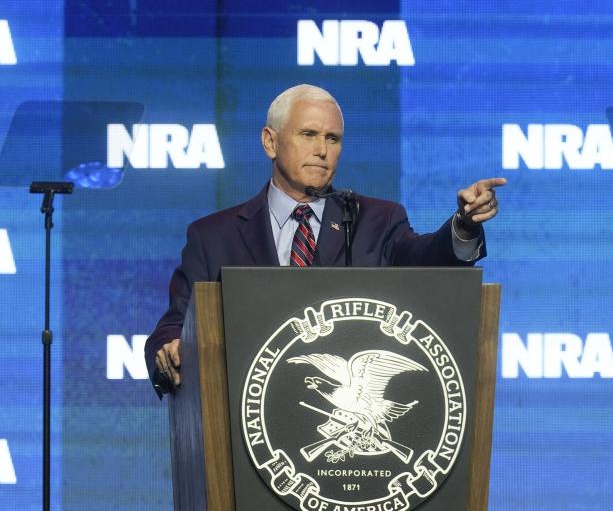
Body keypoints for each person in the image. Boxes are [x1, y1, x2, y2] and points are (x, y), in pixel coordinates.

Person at [145, 84, 505, 396]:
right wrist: (169, 349)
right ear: (270, 142)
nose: (322, 150)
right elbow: (176, 324)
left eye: (332, 139)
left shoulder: (377, 221)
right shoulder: (213, 236)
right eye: (308, 135)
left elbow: (427, 261)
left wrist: (463, 225)